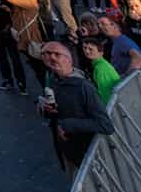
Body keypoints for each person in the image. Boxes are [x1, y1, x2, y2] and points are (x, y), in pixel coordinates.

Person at [37, 41, 113, 174]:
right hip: (68, 152)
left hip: (87, 156)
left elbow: (105, 125)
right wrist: (47, 110)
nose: (51, 57)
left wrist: (67, 125)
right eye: (46, 54)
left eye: (57, 54)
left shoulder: (83, 87)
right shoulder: (53, 80)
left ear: (69, 59)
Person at [79, 37, 120, 104]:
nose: (87, 51)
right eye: (85, 48)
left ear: (100, 52)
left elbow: (105, 95)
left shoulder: (101, 69)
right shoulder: (99, 64)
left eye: (90, 49)